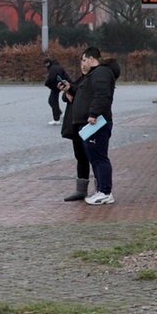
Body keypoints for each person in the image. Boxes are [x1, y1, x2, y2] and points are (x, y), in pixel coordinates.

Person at [60, 46, 118, 205]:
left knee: (99, 158)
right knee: (94, 158)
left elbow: (102, 95)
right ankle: (101, 190)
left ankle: (105, 191)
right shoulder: (93, 75)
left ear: (92, 59)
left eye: (84, 60)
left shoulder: (101, 73)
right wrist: (70, 90)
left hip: (96, 124)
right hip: (88, 124)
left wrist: (93, 114)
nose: (83, 64)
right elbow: (83, 93)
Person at [58, 89, 90, 202]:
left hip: (90, 122)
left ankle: (102, 190)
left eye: (86, 68)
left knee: (96, 158)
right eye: (82, 68)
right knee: (80, 156)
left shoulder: (97, 77)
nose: (84, 69)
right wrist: (67, 94)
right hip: (76, 123)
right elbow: (66, 94)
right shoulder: (79, 80)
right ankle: (81, 190)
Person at [43, 57, 71, 125]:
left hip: (59, 85)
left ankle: (56, 119)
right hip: (60, 84)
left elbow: (51, 78)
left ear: (48, 63)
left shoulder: (53, 68)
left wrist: (46, 83)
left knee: (52, 101)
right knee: (52, 100)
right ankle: (60, 114)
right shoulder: (55, 66)